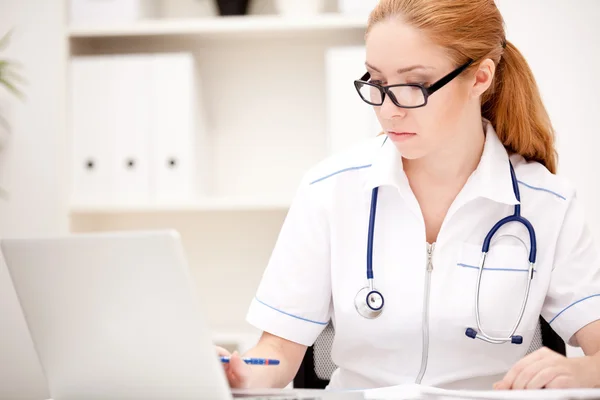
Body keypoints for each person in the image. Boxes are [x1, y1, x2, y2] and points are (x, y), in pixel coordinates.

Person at [217, 0, 600, 391]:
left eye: (413, 86)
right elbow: (278, 349)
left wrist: (582, 371)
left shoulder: (547, 204)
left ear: (481, 77)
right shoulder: (330, 189)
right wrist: (237, 370)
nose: (388, 110)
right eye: (377, 83)